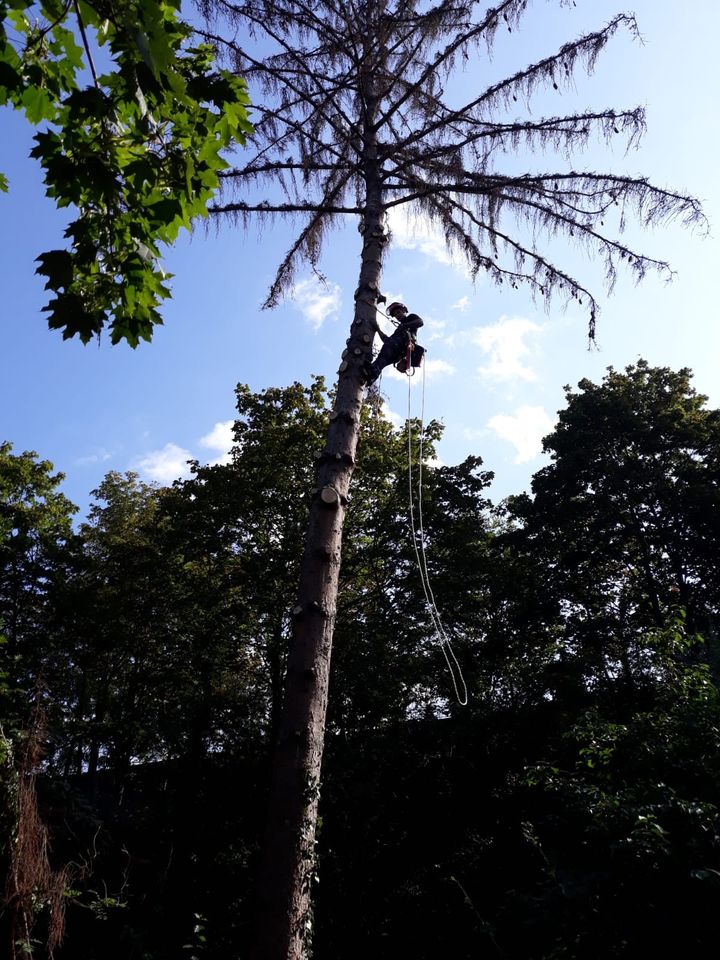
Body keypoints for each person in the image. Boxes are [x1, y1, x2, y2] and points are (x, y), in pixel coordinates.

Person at [364, 301, 424, 385]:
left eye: (398, 312)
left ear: (404, 311)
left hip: (403, 345)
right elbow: (387, 340)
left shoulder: (410, 318)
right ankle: (370, 377)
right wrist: (377, 329)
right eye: (395, 315)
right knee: (382, 359)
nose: (397, 315)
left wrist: (405, 325)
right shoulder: (398, 330)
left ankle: (373, 371)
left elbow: (420, 322)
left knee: (387, 349)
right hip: (396, 352)